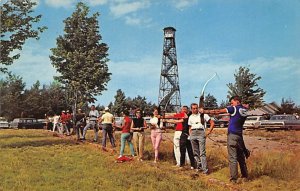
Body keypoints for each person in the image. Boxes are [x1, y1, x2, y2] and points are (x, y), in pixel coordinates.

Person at [203, 96, 248, 183]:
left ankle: (233, 179)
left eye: (232, 102)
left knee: (232, 158)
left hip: (232, 136)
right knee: (241, 157)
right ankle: (245, 175)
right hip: (239, 136)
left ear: (237, 101)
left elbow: (218, 111)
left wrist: (204, 111)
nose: (231, 104)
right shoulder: (244, 110)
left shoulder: (234, 109)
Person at [188, 103, 214, 174]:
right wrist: (190, 134)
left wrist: (208, 132)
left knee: (202, 152)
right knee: (195, 152)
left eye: (196, 108)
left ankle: (204, 169)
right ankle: (198, 167)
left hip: (201, 132)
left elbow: (212, 123)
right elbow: (190, 127)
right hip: (193, 133)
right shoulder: (190, 117)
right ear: (191, 109)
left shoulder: (203, 115)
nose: (195, 109)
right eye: (193, 108)